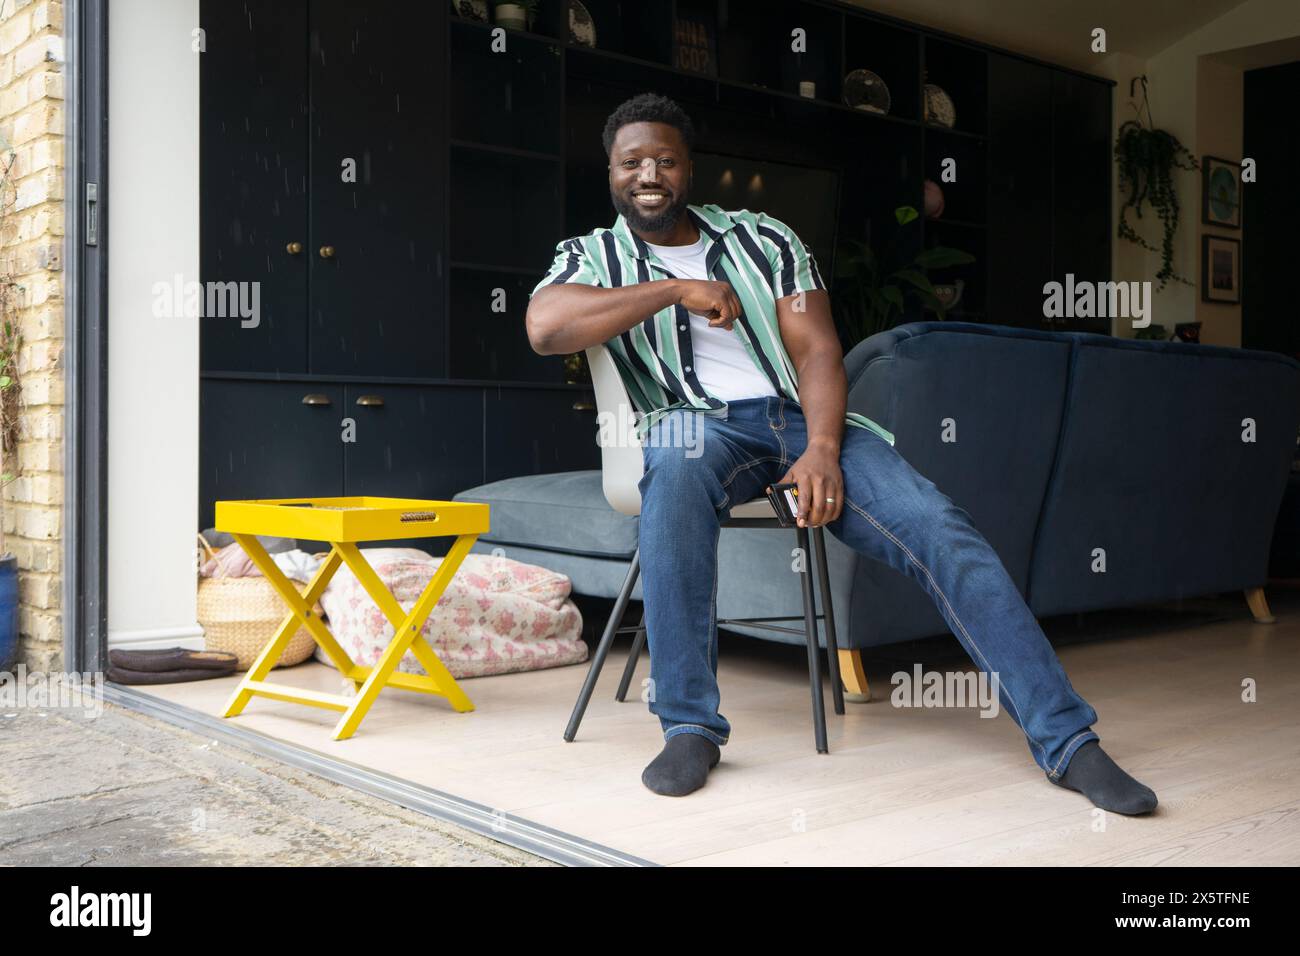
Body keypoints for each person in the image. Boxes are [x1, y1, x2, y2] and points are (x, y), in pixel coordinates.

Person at [525, 92, 1157, 814]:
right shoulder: (590, 256)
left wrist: (823, 447)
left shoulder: (766, 239)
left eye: (665, 159)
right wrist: (675, 287)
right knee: (671, 472)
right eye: (632, 161)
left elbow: (819, 348)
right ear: (611, 172)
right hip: (693, 425)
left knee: (936, 524)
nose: (649, 173)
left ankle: (1069, 742)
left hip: (802, 420)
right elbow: (546, 328)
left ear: (688, 168)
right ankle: (689, 725)